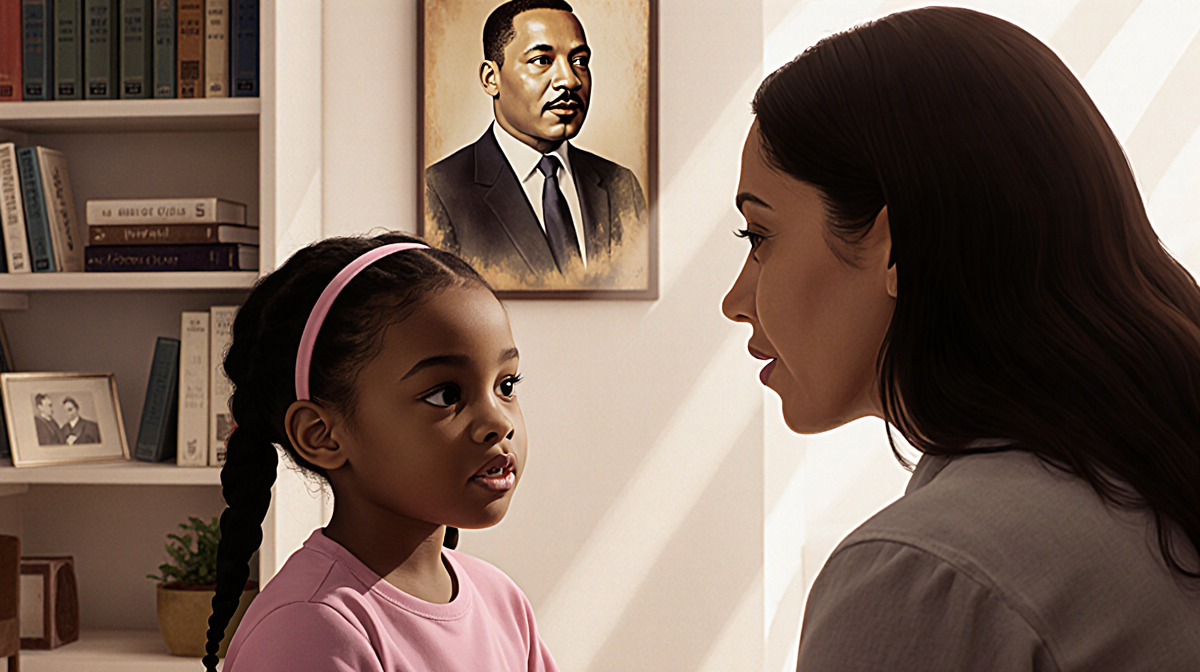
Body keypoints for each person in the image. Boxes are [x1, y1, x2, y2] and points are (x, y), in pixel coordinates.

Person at [722, 7, 1200, 670]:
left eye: (759, 237)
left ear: (898, 246)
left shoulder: (923, 579)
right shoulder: (1153, 481)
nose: (734, 302)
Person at [204, 233, 558, 672]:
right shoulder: (311, 628)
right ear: (321, 435)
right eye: (446, 395)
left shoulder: (501, 601)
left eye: (506, 385)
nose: (499, 423)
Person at [424, 0, 646, 283]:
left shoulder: (621, 186)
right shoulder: (438, 192)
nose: (570, 80)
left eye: (579, 62)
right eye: (542, 60)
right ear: (491, 78)